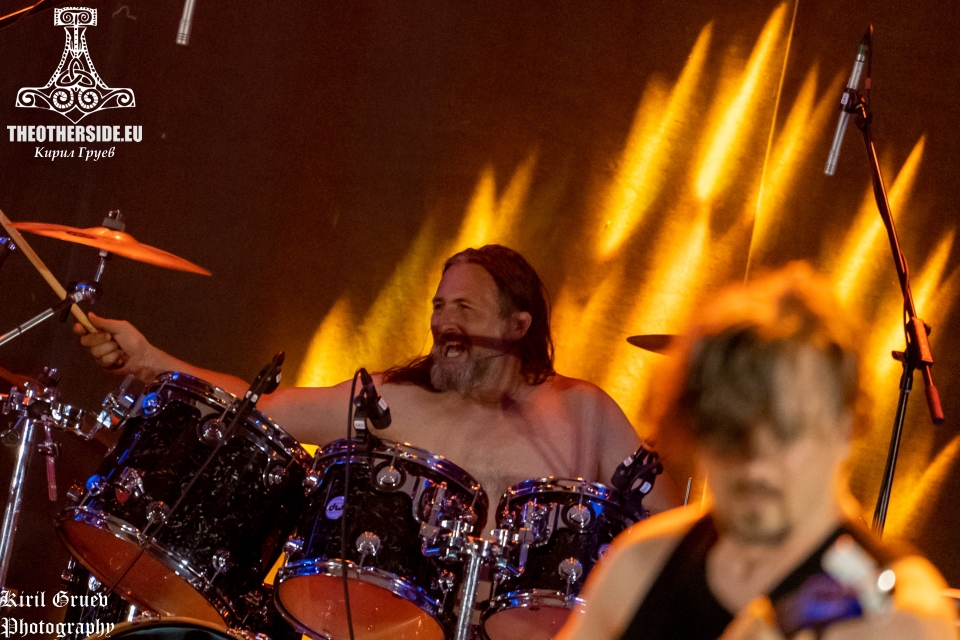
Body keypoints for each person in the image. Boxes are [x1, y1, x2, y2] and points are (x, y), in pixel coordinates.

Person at [77, 244, 677, 532]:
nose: (443, 322)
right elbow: (261, 410)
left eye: (463, 308)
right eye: (438, 306)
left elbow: (667, 524)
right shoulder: (396, 401)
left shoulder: (583, 411)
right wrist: (150, 361)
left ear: (517, 327)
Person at [556, 263, 957, 640]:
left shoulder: (902, 618)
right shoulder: (642, 564)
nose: (754, 463)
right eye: (728, 431)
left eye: (785, 431)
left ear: (845, 427)